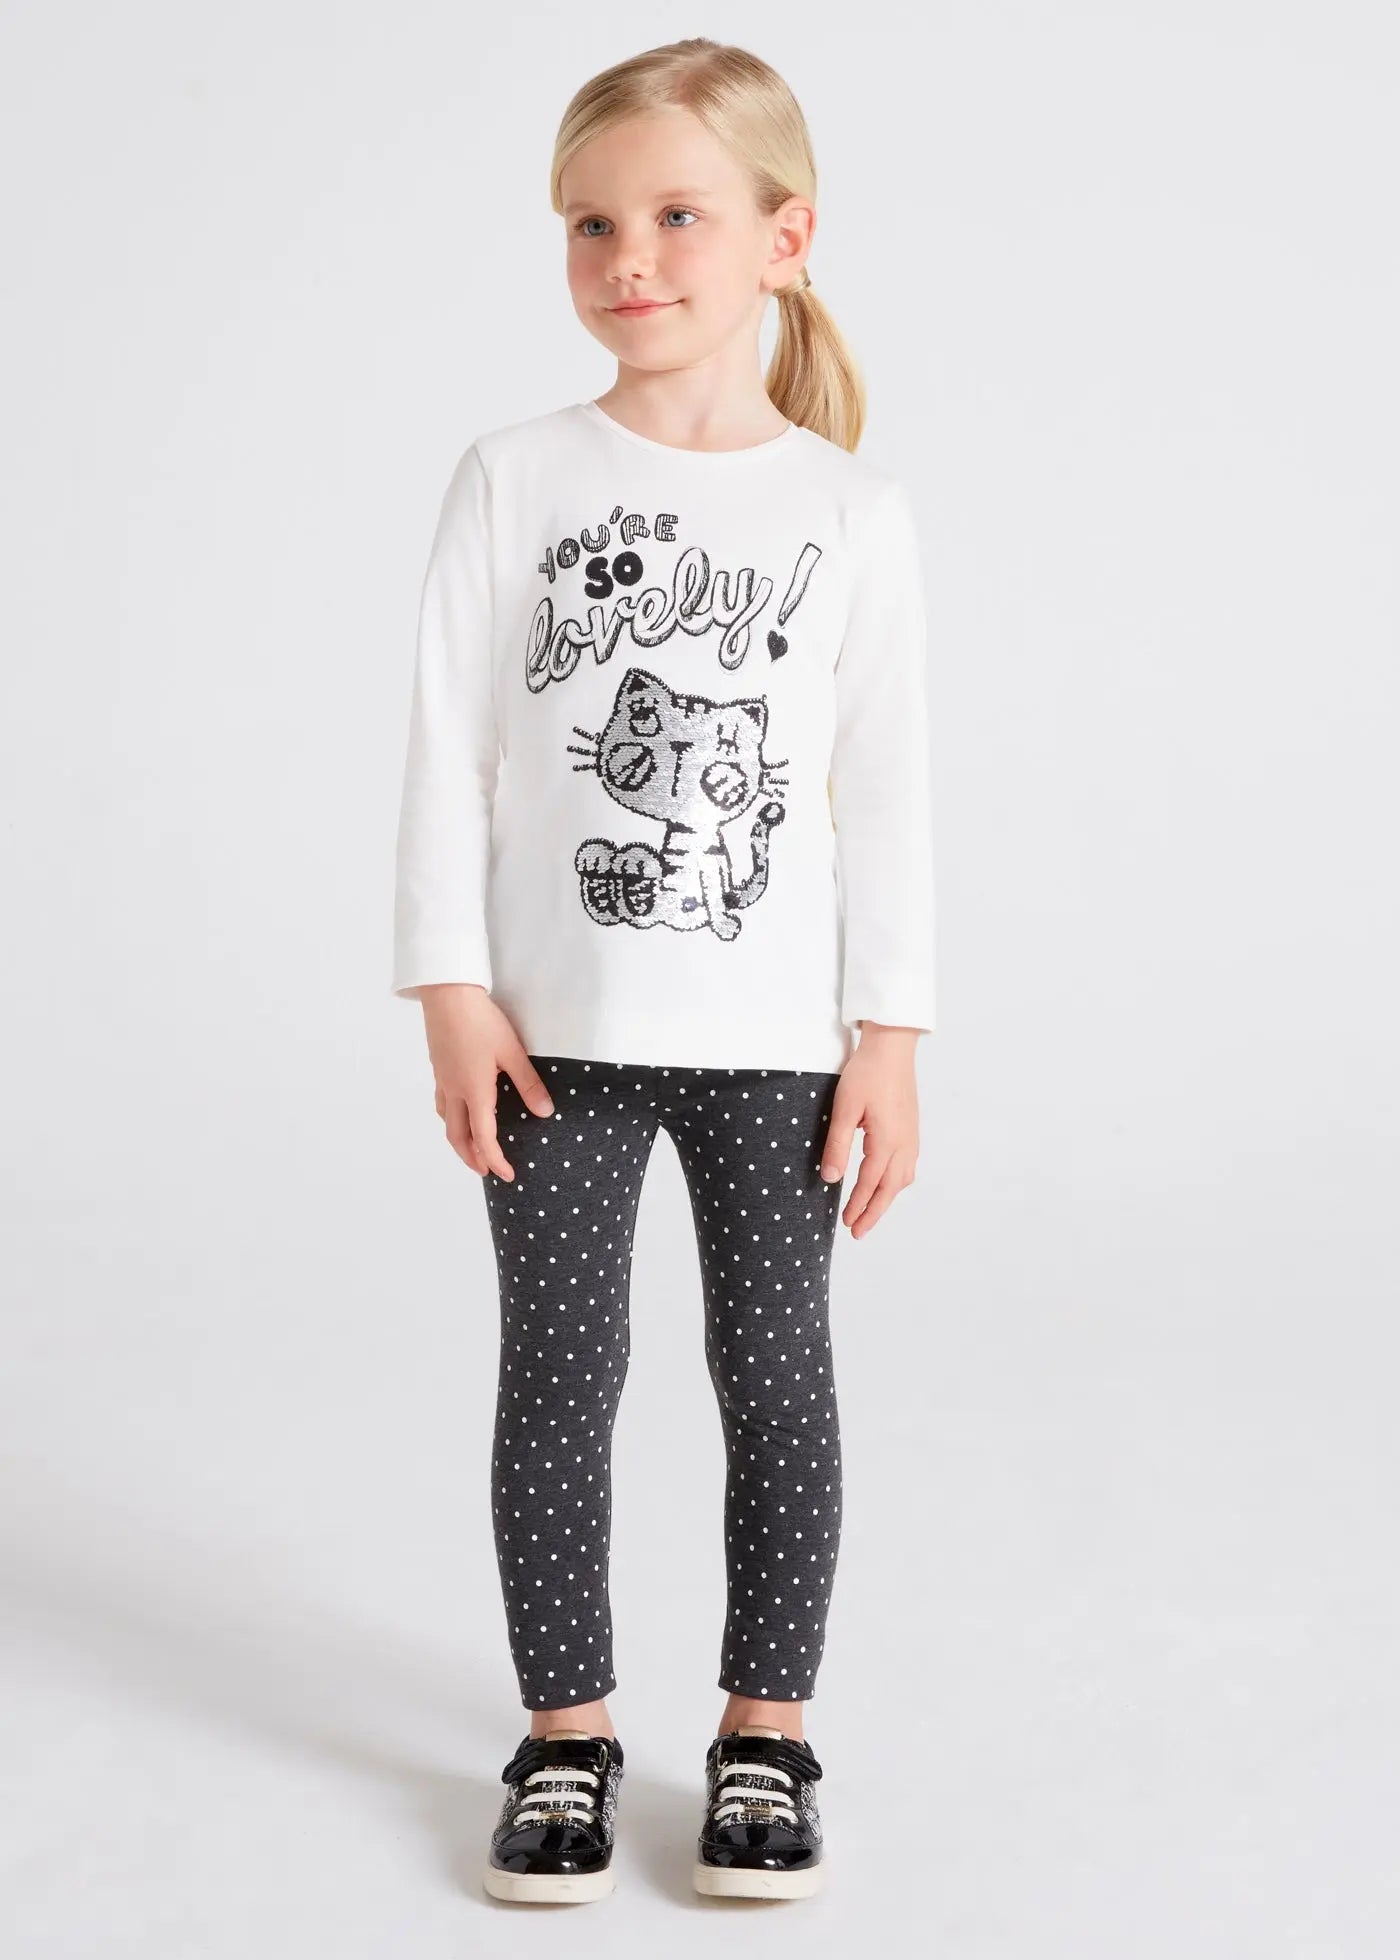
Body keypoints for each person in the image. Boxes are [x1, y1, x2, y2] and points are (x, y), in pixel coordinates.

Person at [390, 36, 936, 1905]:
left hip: (779, 1048)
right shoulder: (514, 477)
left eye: (677, 216)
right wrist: (449, 986)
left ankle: (765, 1736)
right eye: (591, 223)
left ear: (785, 236)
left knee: (776, 1376)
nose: (629, 257)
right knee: (559, 1374)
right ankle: (566, 1739)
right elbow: (448, 750)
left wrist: (891, 1037)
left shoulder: (850, 512)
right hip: (552, 1041)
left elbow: (886, 796)